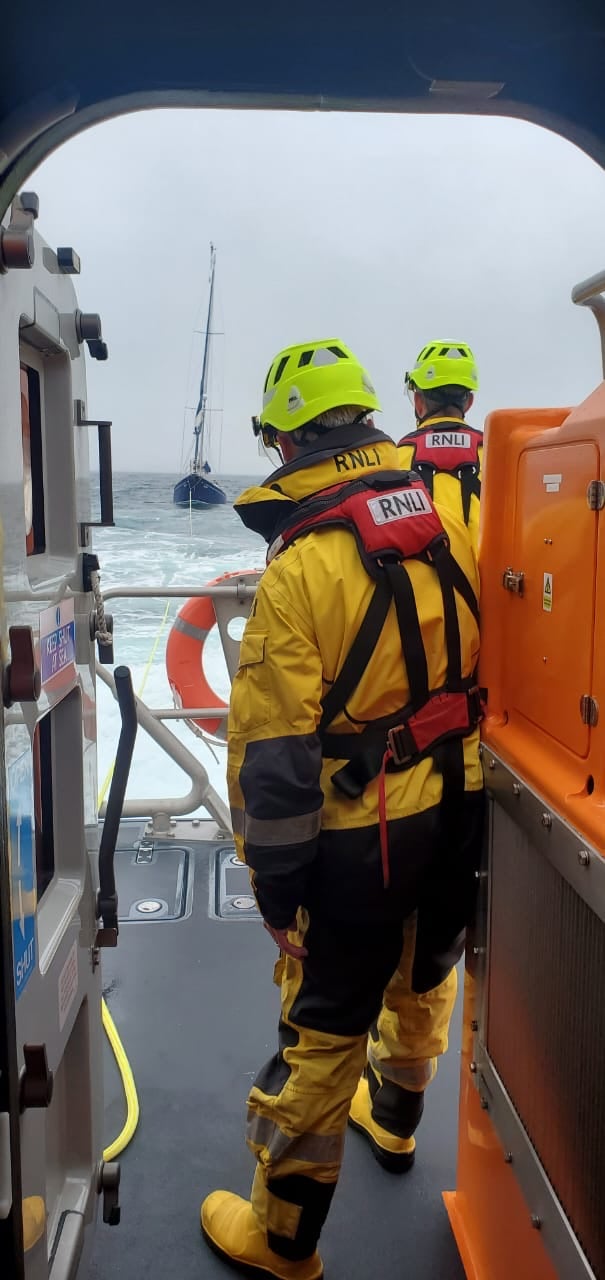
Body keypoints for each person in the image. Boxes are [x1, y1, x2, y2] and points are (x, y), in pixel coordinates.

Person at [200, 339, 484, 1280]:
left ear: (284, 440)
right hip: (455, 811)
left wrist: (278, 896)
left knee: (320, 1036)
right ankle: (397, 1125)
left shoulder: (298, 570)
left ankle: (282, 1240)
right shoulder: (439, 520)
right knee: (423, 972)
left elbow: (274, 762)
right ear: (367, 423)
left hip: (360, 843)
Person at [399, 342, 482, 549]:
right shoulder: (499, 455)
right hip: (493, 579)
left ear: (418, 401)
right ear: (469, 402)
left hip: (423, 580)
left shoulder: (394, 459)